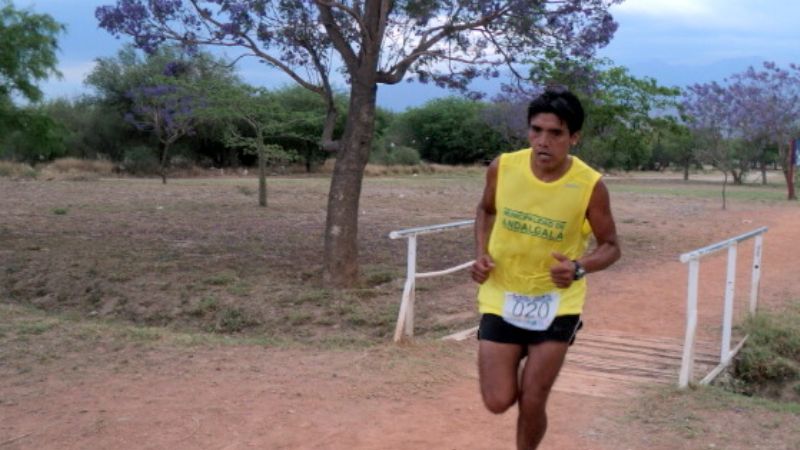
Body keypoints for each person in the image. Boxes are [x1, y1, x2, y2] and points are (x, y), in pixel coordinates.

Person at [471, 87, 621, 450]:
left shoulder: (589, 185)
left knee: (534, 398)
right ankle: (521, 357)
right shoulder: (503, 167)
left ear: (574, 137)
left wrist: (578, 267)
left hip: (556, 303)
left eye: (555, 133)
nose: (543, 141)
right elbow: (486, 210)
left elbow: (611, 247)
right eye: (536, 130)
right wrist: (481, 254)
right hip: (502, 294)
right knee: (498, 400)